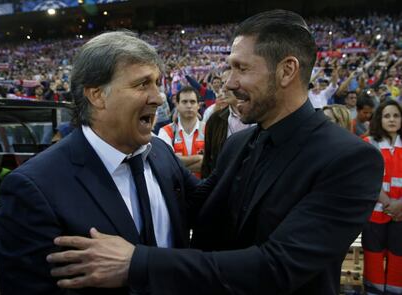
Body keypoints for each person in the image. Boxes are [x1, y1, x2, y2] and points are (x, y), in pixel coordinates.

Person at [47, 10, 384, 295]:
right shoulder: (238, 144)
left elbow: (278, 267)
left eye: (242, 68)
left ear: (287, 71)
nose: (229, 83)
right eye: (229, 68)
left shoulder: (349, 160)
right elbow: (193, 205)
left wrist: (137, 262)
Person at [0, 30, 199, 295]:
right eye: (142, 84)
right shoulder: (34, 188)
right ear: (97, 95)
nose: (159, 97)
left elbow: (212, 208)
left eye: (157, 83)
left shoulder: (160, 152)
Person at [362, 100, 402, 295]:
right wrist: (388, 202)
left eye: (396, 115)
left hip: (401, 215)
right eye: (387, 116)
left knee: (399, 259)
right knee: (373, 259)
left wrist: (400, 205)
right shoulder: (368, 143)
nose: (392, 120)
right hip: (374, 215)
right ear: (379, 119)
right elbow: (363, 177)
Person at [158, 86, 205, 178]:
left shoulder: (209, 129)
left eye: (192, 102)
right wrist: (199, 158)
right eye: (184, 102)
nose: (189, 106)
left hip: (205, 187)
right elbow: (166, 162)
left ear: (198, 105)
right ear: (177, 105)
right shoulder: (165, 131)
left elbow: (213, 162)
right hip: (177, 189)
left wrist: (177, 163)